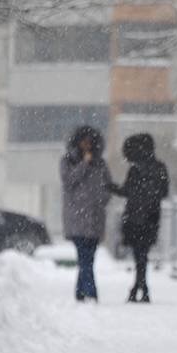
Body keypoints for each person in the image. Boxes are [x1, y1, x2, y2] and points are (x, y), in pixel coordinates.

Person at [109, 133, 169, 303]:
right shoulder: (158, 168)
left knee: (139, 254)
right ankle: (141, 286)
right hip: (149, 216)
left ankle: (139, 286)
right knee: (142, 254)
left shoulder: (136, 170)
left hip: (137, 216)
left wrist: (112, 188)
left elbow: (127, 191)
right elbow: (163, 191)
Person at [59, 125, 112, 302]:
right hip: (76, 219)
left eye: (90, 142)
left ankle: (80, 292)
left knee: (88, 259)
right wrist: (84, 164)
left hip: (96, 218)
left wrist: (101, 200)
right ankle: (91, 292)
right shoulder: (68, 161)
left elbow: (107, 186)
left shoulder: (101, 163)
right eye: (84, 142)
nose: (87, 145)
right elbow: (68, 181)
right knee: (84, 257)